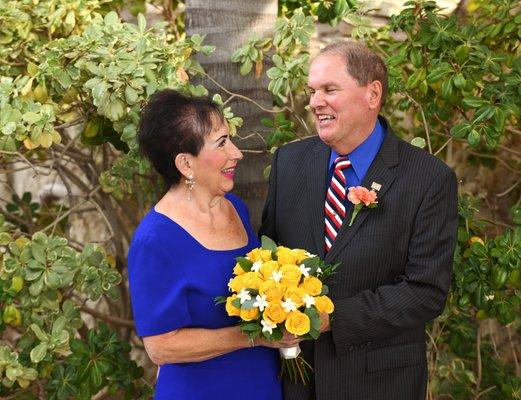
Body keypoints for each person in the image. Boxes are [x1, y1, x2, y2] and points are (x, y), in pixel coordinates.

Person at [259, 41, 458, 400]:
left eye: (329, 89)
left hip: (379, 383)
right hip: (296, 383)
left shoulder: (428, 178)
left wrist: (330, 317)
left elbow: (426, 292)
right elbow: (267, 260)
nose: (315, 101)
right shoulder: (289, 163)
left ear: (372, 94)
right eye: (312, 91)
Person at [128, 89, 299, 399]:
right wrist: (255, 336)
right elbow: (161, 348)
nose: (237, 153)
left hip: (261, 383)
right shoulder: (154, 240)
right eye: (222, 143)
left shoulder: (236, 207)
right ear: (185, 164)